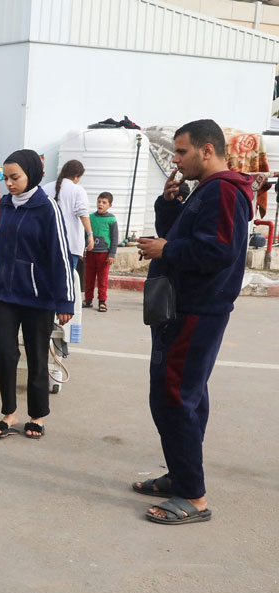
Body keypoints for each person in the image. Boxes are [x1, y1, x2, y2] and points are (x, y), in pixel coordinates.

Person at [134, 119, 252, 526]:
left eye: (182, 152)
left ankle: (194, 496)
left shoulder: (223, 191)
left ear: (207, 150)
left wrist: (165, 248)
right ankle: (181, 475)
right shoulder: (207, 190)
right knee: (183, 395)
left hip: (197, 311)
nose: (176, 159)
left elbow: (217, 251)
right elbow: (189, 237)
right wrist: (169, 206)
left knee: (175, 397)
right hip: (184, 309)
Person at [0, 150, 74, 440]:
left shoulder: (47, 207)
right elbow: (8, 240)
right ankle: (9, 413)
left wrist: (65, 300)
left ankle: (36, 416)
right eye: (5, 177)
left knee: (37, 356)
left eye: (15, 177)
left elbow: (60, 254)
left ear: (31, 174)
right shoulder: (6, 203)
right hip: (4, 292)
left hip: (38, 297)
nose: (9, 183)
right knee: (3, 351)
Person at [44, 159, 93, 289]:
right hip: (71, 244)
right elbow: (83, 213)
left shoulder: (46, 188)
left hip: (47, 244)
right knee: (67, 283)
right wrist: (90, 234)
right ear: (77, 176)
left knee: (48, 280)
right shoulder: (78, 190)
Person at [83, 192, 118, 312]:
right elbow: (85, 234)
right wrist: (83, 249)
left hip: (104, 254)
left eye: (104, 202)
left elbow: (114, 238)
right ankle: (88, 300)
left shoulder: (111, 219)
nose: (100, 204)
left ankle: (102, 301)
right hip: (91, 252)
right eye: (99, 201)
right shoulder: (90, 218)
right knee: (89, 278)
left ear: (110, 205)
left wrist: (112, 254)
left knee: (102, 279)